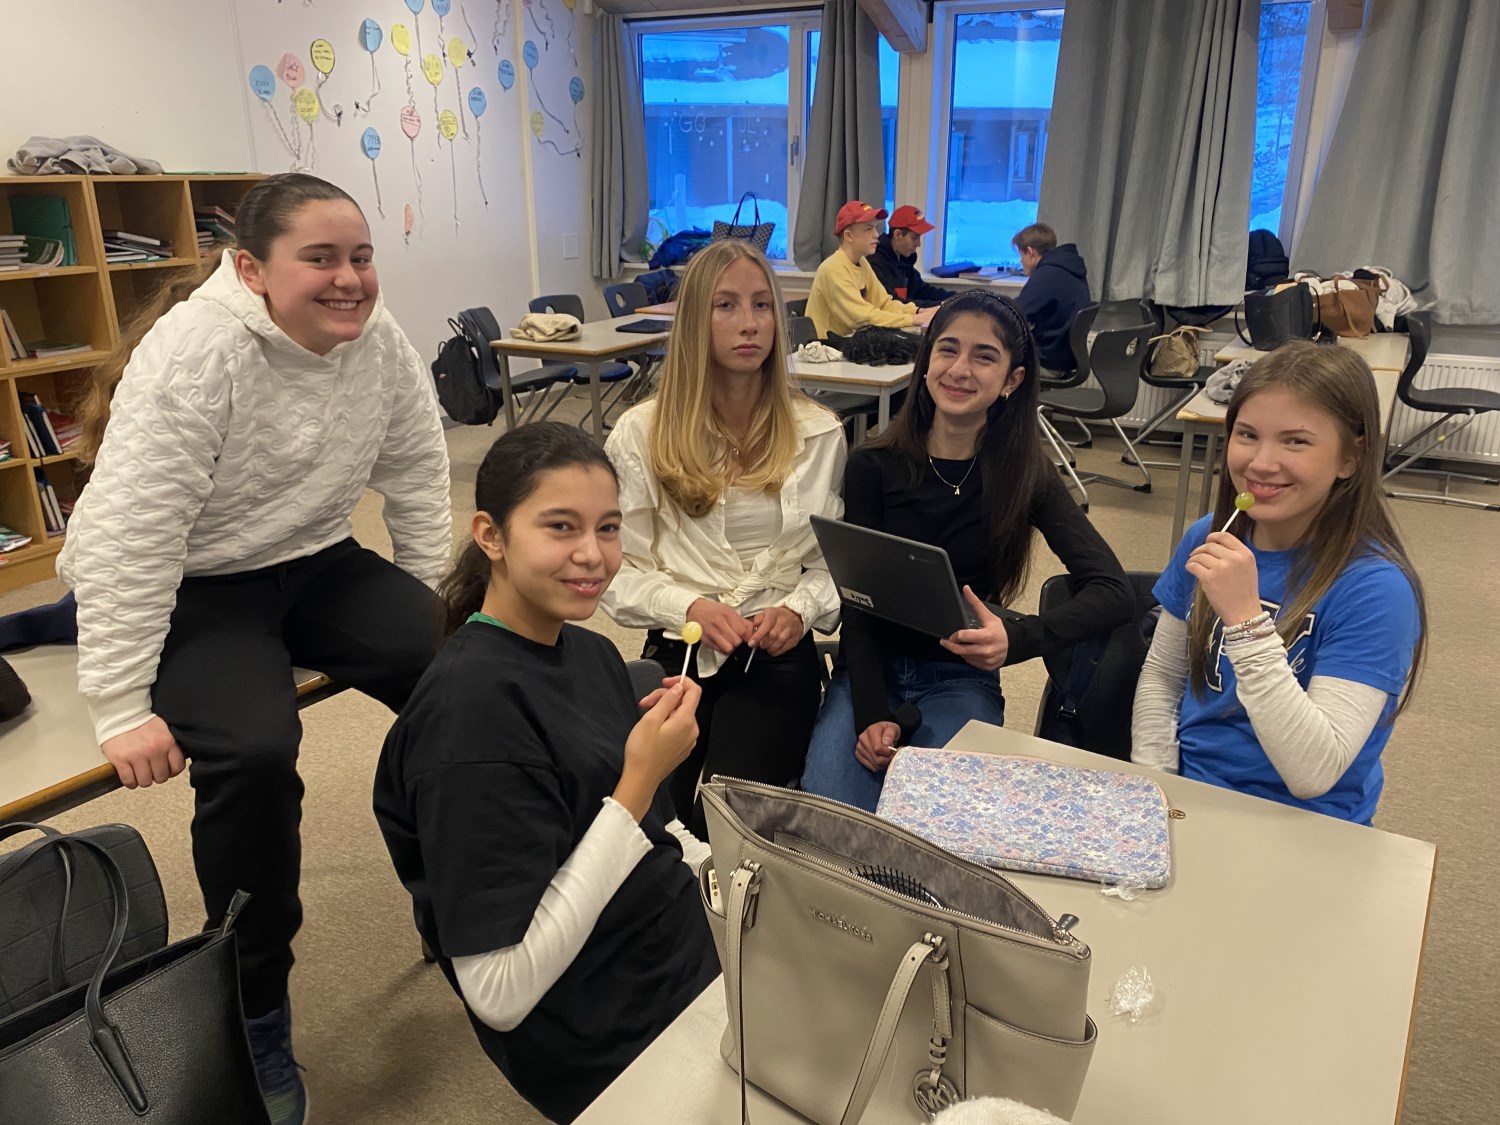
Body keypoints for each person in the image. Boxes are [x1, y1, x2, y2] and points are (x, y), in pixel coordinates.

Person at [57, 172, 452, 1124]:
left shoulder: (377, 335)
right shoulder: (196, 354)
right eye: (320, 257)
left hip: (315, 557)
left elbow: (416, 464)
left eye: (360, 256)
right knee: (255, 751)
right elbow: (132, 535)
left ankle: (455, 889)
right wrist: (120, 702)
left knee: (465, 672)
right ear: (250, 269)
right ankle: (253, 1006)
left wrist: (436, 601)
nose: (349, 277)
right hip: (197, 582)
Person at [373, 423, 720, 1123]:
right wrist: (640, 781)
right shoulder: (469, 723)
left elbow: (656, 837)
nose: (593, 554)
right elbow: (501, 992)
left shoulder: (589, 653)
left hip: (679, 943)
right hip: (610, 1023)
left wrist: (728, 882)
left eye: (608, 527)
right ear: (491, 535)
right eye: (561, 526)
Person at [799, 291, 1133, 812]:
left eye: (984, 356)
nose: (959, 369)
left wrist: (1018, 638)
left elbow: (1113, 591)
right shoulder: (873, 464)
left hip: (959, 677)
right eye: (948, 349)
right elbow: (859, 605)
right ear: (927, 358)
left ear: (1012, 380)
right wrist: (869, 714)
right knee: (831, 819)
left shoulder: (1027, 474)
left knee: (937, 824)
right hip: (869, 670)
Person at [601, 238, 846, 834]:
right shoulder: (640, 433)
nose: (750, 324)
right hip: (682, 647)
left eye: (762, 305)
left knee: (723, 823)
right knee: (649, 822)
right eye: (726, 305)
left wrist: (799, 610)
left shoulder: (818, 432)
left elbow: (837, 564)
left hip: (776, 653)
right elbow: (612, 570)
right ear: (695, 320)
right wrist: (688, 606)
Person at [1132, 342, 1427, 824]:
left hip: (1304, 822)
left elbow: (1313, 773)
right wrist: (1156, 791)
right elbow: (1164, 677)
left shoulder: (1377, 589)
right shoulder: (1208, 537)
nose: (1262, 463)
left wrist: (1246, 622)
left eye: (1296, 442)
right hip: (1187, 798)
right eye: (1247, 435)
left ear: (1350, 458)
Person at [806, 200, 938, 339]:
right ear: (849, 236)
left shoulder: (862, 262)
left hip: (848, 342)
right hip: (825, 347)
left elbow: (884, 304)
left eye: (875, 228)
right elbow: (861, 317)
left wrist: (918, 311)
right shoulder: (833, 268)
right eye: (869, 229)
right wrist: (913, 319)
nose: (876, 234)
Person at [1011, 223, 1092, 373]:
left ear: (1030, 252)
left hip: (1049, 361)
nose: (1021, 262)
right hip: (1064, 357)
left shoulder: (1047, 275)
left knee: (993, 364)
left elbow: (1013, 312)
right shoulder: (1069, 268)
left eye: (1020, 256)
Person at [867, 205, 956, 308]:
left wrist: (956, 298)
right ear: (898, 235)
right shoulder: (875, 263)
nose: (918, 244)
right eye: (914, 238)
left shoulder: (905, 260)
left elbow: (922, 290)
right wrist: (939, 305)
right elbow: (893, 303)